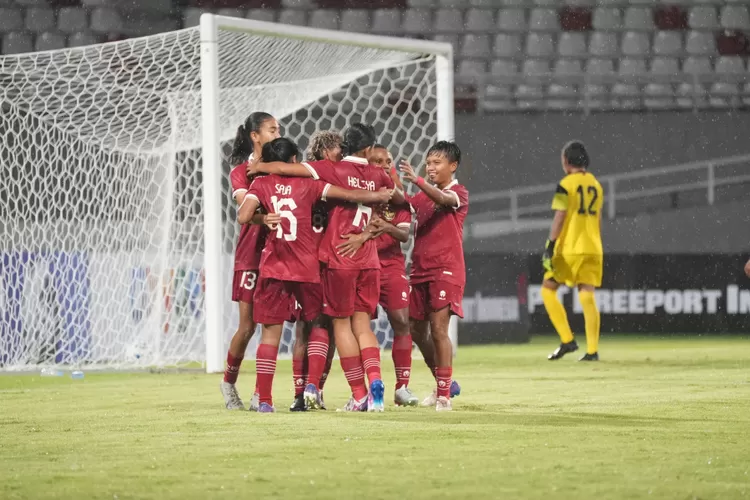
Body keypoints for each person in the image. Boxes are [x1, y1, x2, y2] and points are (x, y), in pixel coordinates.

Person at [249, 123, 404, 412]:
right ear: (369, 149)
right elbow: (398, 200)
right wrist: (368, 228)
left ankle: (353, 393)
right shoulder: (378, 174)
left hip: (333, 257)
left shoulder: (329, 171)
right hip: (368, 260)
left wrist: (260, 165)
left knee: (333, 326)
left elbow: (282, 173)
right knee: (362, 327)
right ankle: (374, 382)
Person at [401, 141, 468, 412]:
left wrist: (415, 180)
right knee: (416, 330)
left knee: (439, 330)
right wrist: (388, 179)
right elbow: (404, 202)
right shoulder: (423, 196)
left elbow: (443, 200)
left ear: (452, 166)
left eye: (437, 163)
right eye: (428, 163)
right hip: (419, 271)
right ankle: (445, 382)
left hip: (446, 270)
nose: (431, 168)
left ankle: (443, 396)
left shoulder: (458, 192)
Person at [220, 112, 280, 410]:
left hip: (281, 256)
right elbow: (245, 208)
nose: (277, 133)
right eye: (272, 129)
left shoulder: (283, 167)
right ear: (255, 136)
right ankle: (228, 384)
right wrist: (264, 216)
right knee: (248, 327)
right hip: (251, 255)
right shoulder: (240, 172)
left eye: (278, 129)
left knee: (272, 324)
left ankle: (261, 394)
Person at [288, 130, 343, 412]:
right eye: (336, 147)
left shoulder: (298, 179)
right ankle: (313, 389)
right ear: (323, 151)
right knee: (324, 327)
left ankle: (304, 393)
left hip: (303, 261)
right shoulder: (335, 178)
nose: (341, 152)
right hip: (324, 261)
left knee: (305, 328)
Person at [367, 145, 419, 407]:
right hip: (361, 267)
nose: (386, 165)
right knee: (356, 327)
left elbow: (404, 235)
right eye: (378, 161)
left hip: (390, 266)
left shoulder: (399, 200)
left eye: (388, 161)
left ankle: (402, 387)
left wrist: (384, 226)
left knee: (402, 321)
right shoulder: (357, 193)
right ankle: (365, 387)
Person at [542, 141, 603, 362]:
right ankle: (593, 351)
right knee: (587, 294)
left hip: (570, 249)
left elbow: (560, 215)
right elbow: (598, 219)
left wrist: (550, 244)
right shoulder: (596, 185)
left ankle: (567, 340)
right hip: (593, 248)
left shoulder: (565, 184)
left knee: (548, 290)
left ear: (566, 161)